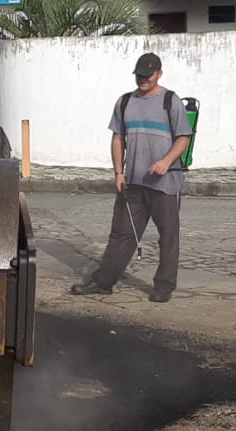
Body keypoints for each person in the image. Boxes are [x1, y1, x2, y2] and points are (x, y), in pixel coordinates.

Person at [71, 53, 192, 302]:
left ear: (159, 73)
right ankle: (103, 281)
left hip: (165, 184)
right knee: (121, 234)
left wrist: (166, 162)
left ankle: (164, 286)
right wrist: (118, 172)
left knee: (168, 236)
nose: (143, 80)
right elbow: (118, 138)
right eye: (139, 75)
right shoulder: (125, 102)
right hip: (133, 182)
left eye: (148, 75)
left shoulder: (171, 101)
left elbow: (183, 138)